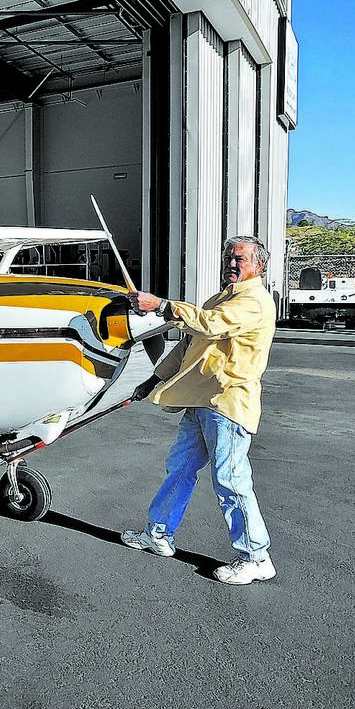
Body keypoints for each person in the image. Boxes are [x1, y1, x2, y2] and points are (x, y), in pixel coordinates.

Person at [120, 235, 278, 585]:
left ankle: (256, 557)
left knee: (230, 480)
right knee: (179, 468)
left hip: (228, 404)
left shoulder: (254, 301)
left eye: (239, 259)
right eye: (228, 258)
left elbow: (210, 324)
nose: (231, 264)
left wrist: (161, 305)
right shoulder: (220, 299)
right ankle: (158, 534)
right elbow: (190, 344)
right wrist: (153, 380)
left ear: (259, 265)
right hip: (200, 402)